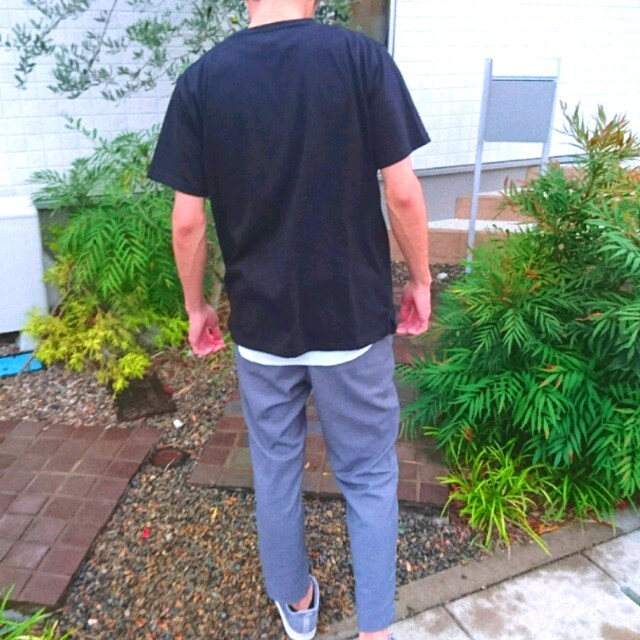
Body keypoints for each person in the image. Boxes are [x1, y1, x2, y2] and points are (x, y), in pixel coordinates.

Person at [148, 1, 431, 638]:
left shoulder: (202, 80)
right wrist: (419, 280)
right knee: (368, 472)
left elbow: (187, 221)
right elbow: (402, 190)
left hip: (262, 321)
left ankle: (297, 604)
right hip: (351, 319)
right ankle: (376, 627)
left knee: (275, 465)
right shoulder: (360, 59)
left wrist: (196, 307)